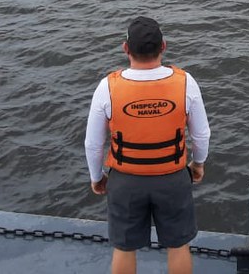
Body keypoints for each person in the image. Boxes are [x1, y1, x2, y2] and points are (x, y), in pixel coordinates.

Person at [84, 16, 211, 274]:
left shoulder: (107, 87)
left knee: (124, 247)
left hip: (126, 181)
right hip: (173, 178)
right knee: (178, 246)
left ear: (125, 48)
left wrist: (97, 177)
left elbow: (93, 144)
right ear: (163, 46)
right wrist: (197, 165)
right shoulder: (185, 82)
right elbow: (201, 135)